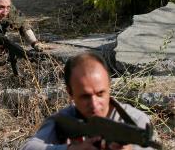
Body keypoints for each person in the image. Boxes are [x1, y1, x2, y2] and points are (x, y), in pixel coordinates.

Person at [20, 52, 156, 150]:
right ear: (70, 93)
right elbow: (29, 147)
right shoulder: (64, 119)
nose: (94, 104)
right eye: (85, 96)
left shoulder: (136, 121)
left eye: (100, 93)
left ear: (109, 87)